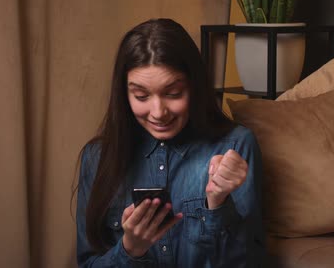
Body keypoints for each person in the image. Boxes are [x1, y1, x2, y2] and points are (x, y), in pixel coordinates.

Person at [75, 18, 265, 267]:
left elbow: (249, 263)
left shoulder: (235, 147)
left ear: (194, 87)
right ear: (125, 94)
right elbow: (87, 262)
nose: (158, 112)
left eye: (173, 93)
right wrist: (129, 250)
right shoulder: (97, 157)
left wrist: (217, 204)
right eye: (141, 96)